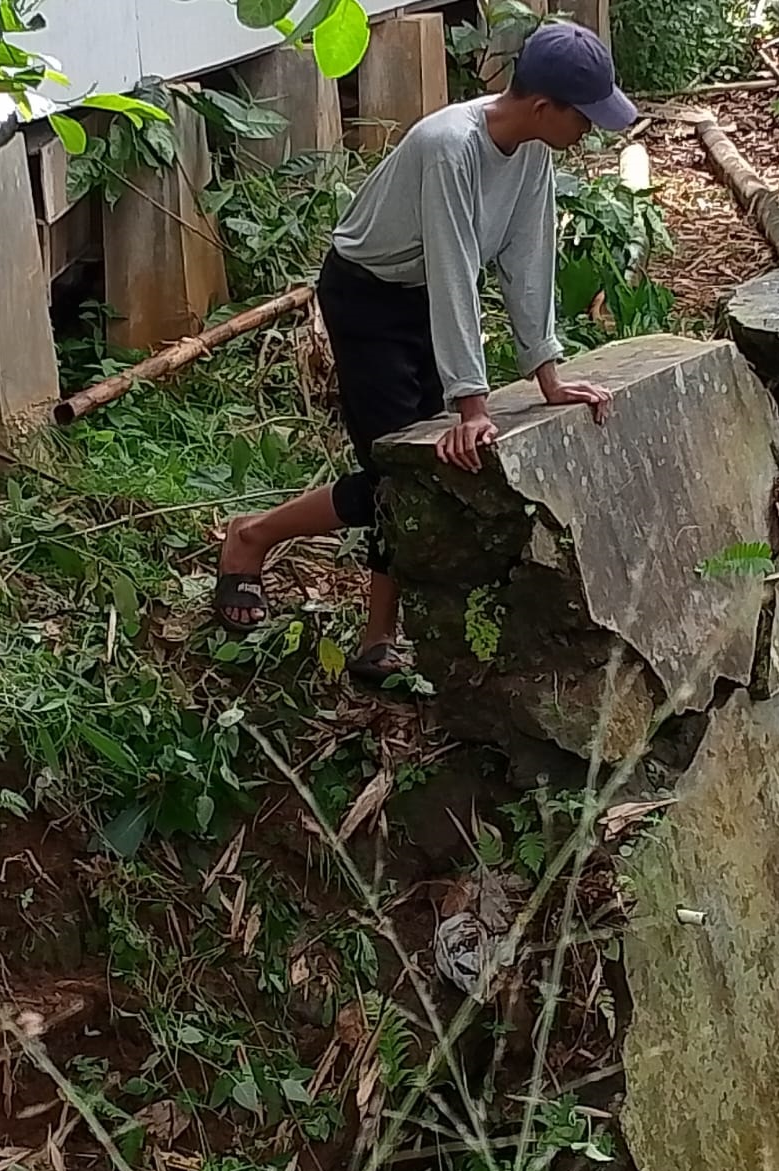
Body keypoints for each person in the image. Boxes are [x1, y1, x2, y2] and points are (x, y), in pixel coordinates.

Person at [213, 23, 636, 684]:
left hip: (419, 298)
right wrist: (470, 404)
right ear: (543, 106)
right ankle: (253, 538)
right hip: (368, 297)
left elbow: (527, 264)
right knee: (398, 473)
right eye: (585, 118)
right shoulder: (450, 146)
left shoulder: (531, 154)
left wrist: (547, 375)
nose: (591, 131)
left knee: (419, 475)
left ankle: (379, 641)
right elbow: (452, 267)